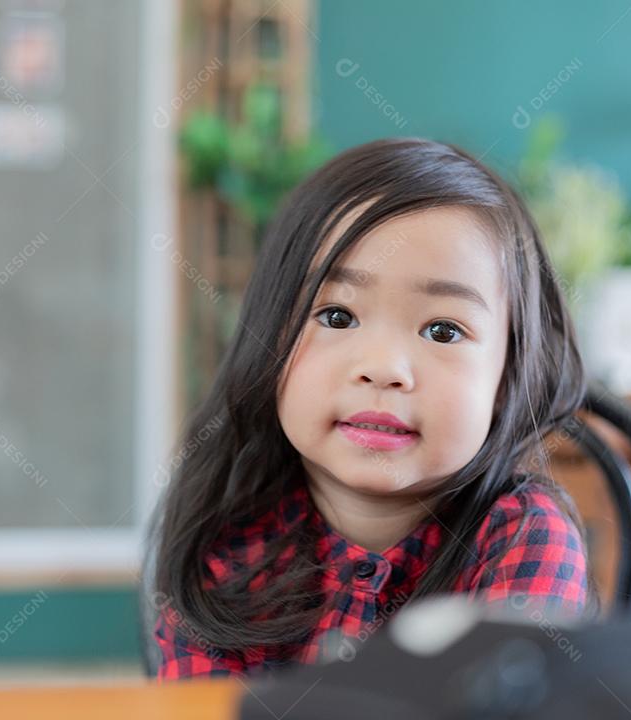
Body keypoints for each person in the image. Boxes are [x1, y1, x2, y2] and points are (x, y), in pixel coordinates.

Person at [148, 137, 595, 681]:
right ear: (269, 340)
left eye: (443, 330)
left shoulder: (524, 540)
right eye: (337, 317)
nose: (384, 369)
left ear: (508, 376)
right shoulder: (225, 537)